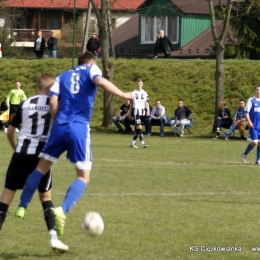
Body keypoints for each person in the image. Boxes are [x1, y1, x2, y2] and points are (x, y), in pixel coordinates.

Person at [15, 51, 133, 236]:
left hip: (60, 126)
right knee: (83, 177)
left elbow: (53, 102)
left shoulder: (61, 77)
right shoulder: (92, 70)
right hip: (78, 127)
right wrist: (123, 93)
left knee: (40, 168)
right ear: (92, 62)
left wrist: (57, 124)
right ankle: (62, 210)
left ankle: (22, 205)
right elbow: (100, 82)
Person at [0, 74, 68, 252]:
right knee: (46, 198)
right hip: (42, 157)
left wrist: (16, 147)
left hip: (22, 154)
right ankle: (53, 238)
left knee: (6, 198)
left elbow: (10, 131)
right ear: (50, 87)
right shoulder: (56, 105)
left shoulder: (26, 103)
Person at [241, 85, 260, 164]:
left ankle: (258, 160)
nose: (259, 92)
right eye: (257, 90)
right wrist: (249, 121)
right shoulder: (251, 100)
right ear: (255, 91)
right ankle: (244, 154)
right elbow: (246, 112)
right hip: (253, 125)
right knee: (255, 142)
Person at [129, 78, 150, 148]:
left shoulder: (145, 93)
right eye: (138, 84)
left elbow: (146, 102)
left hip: (143, 112)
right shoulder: (133, 93)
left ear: (142, 84)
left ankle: (133, 142)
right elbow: (131, 104)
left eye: (140, 84)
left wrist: (148, 110)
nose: (139, 85)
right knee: (139, 127)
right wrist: (129, 113)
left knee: (138, 129)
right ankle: (142, 142)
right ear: (136, 84)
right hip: (136, 112)